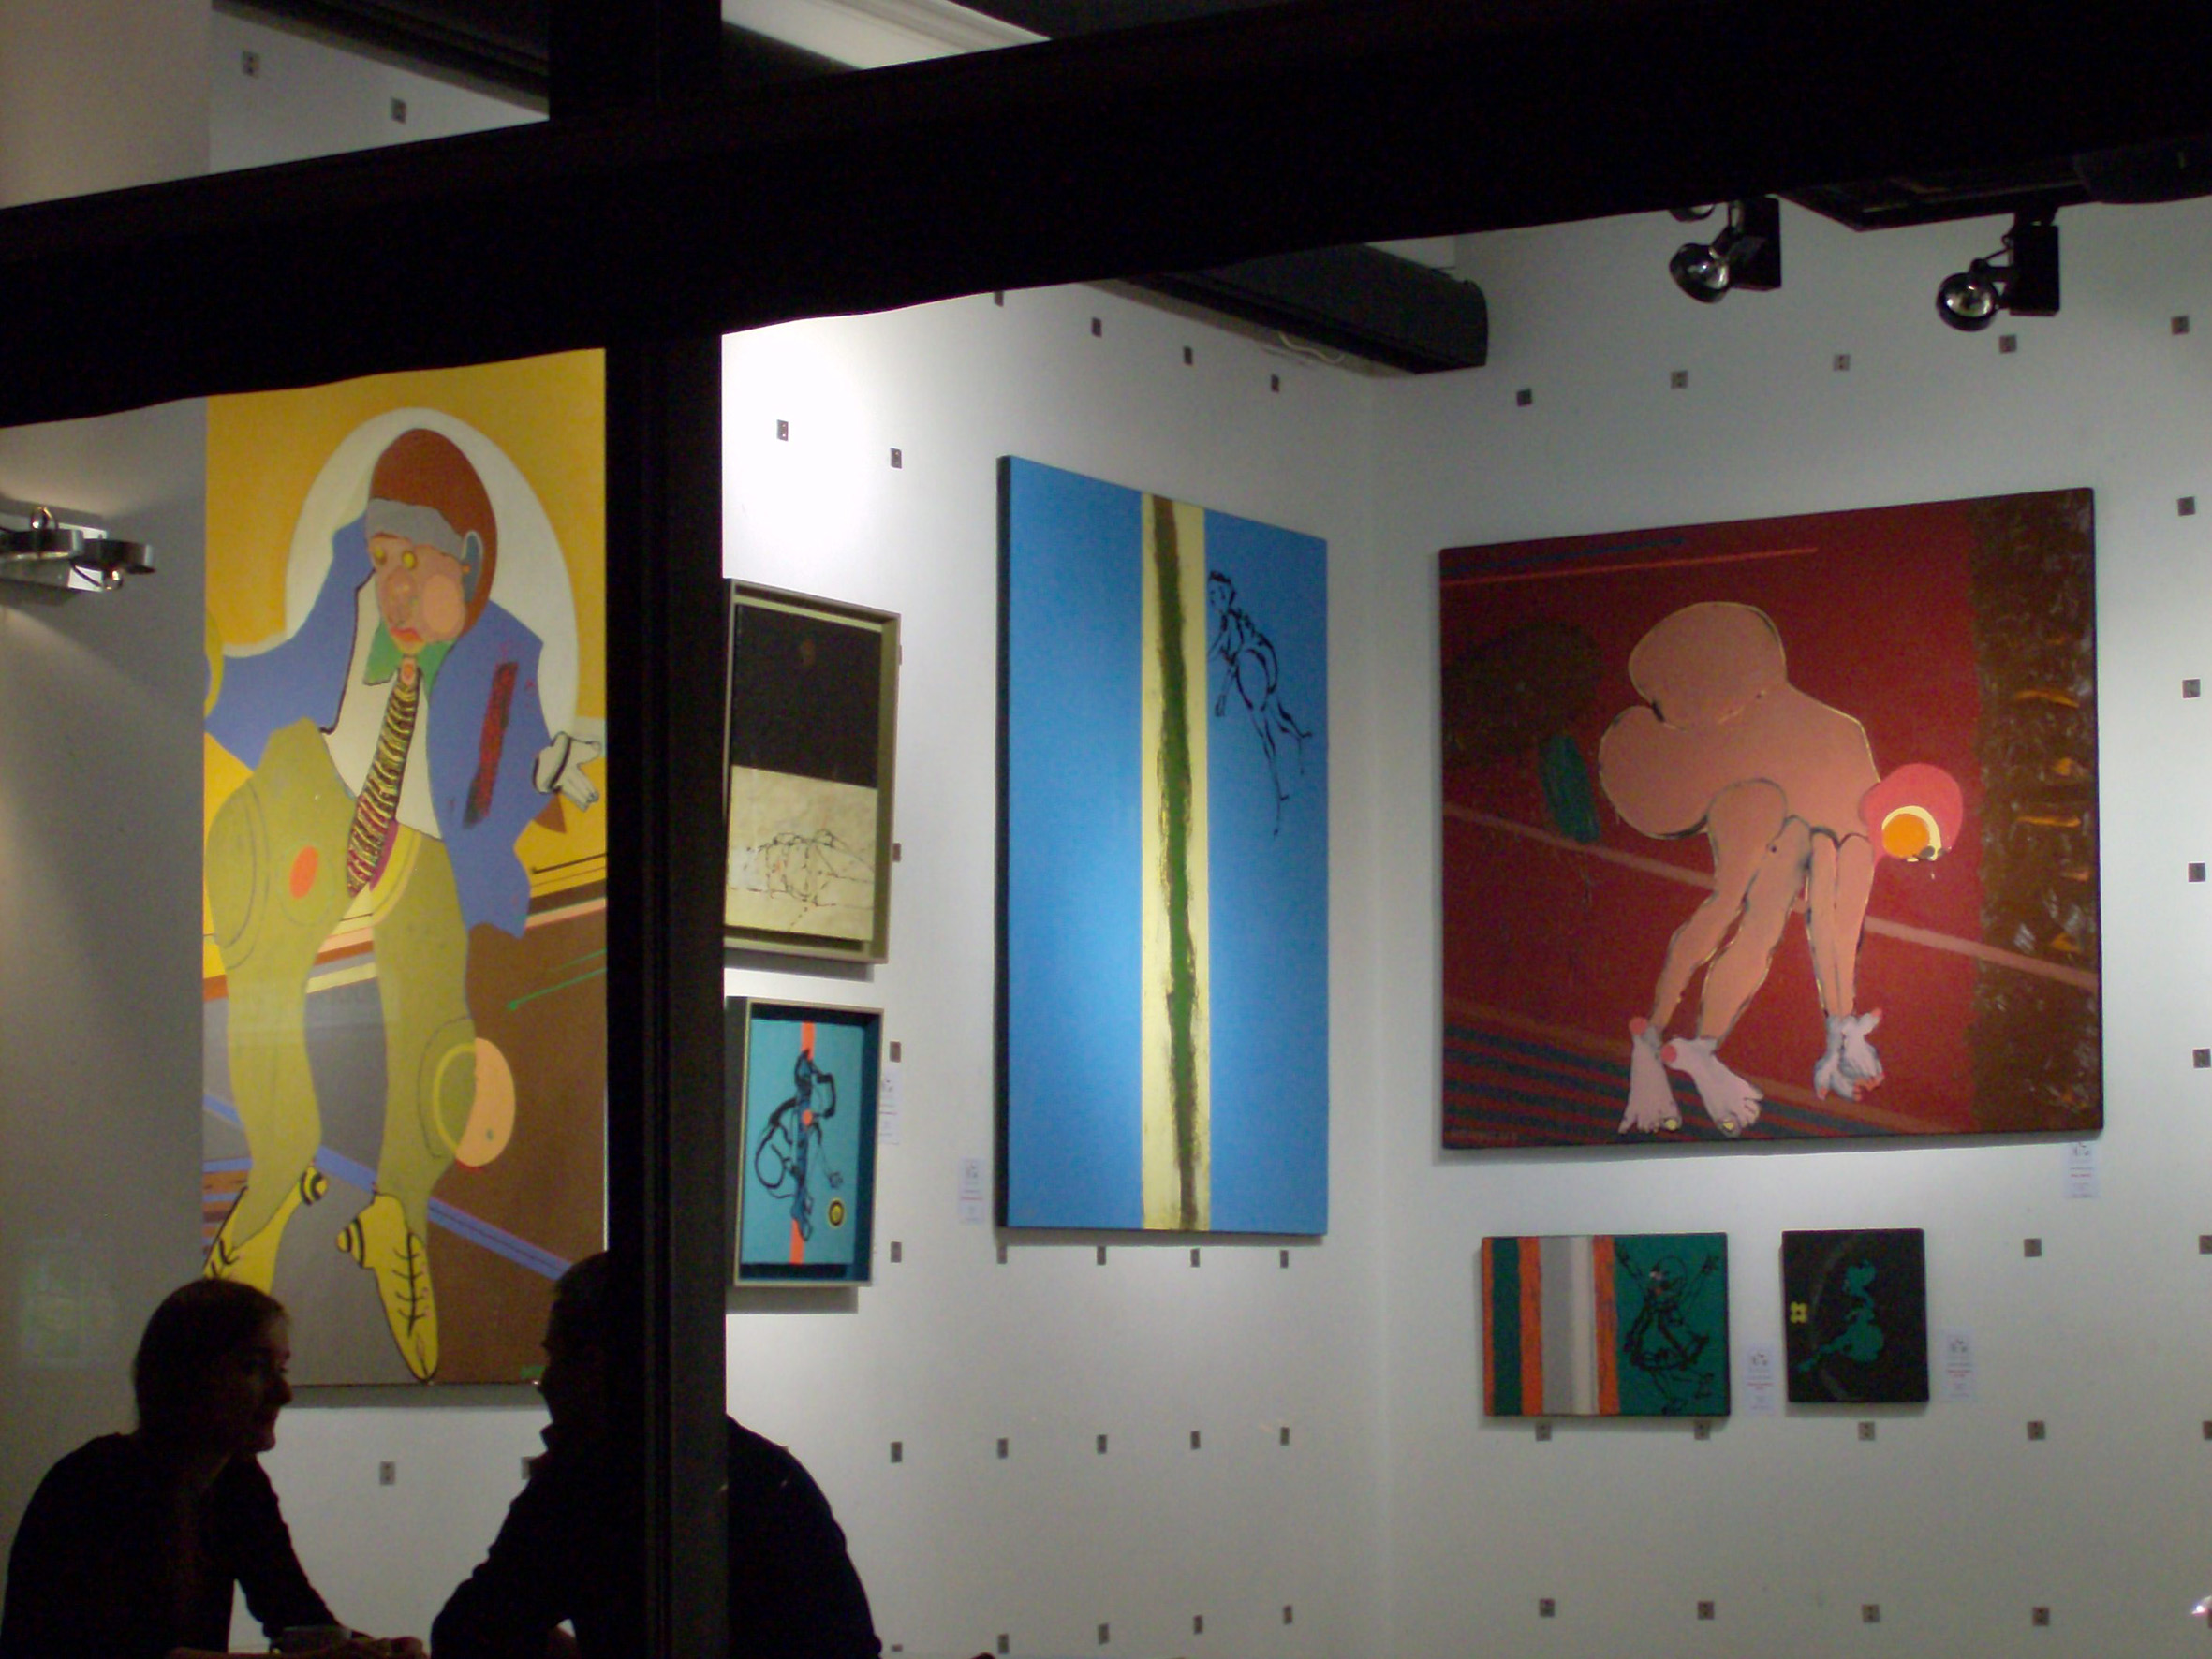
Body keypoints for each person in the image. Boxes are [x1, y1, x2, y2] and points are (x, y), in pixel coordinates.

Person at [202, 426, 601, 1380]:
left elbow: (513, 777)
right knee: (255, 926)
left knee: (435, 1018)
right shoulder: (349, 605)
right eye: (382, 560)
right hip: (320, 793)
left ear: (467, 558)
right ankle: (278, 1168)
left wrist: (555, 773)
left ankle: (395, 1214)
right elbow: (269, 676)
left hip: (421, 838)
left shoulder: (506, 657)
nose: (394, 584)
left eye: (413, 562)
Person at [1597, 600, 1963, 1136]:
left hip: (1780, 820)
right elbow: (1832, 931)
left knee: (1759, 927)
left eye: (1915, 848)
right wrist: (1841, 1026)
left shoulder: (1859, 845)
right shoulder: (1849, 745)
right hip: (1749, 786)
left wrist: (1840, 1025)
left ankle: (1695, 1045)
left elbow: (1834, 933)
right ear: (1904, 792)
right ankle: (1654, 1035)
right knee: (1730, 903)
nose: (1902, 844)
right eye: (1911, 830)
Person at [432, 1253, 879, 1659]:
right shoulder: (769, 1478)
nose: (548, 1383)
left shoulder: (585, 1488)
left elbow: (469, 1633)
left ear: (603, 1365)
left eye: (560, 1358)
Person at [0, 1280, 421, 1659]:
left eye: (281, 1369)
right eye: (254, 1367)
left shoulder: (239, 1483)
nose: (283, 1392)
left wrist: (374, 1650)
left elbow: (295, 1613)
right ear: (187, 1377)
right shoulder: (94, 1487)